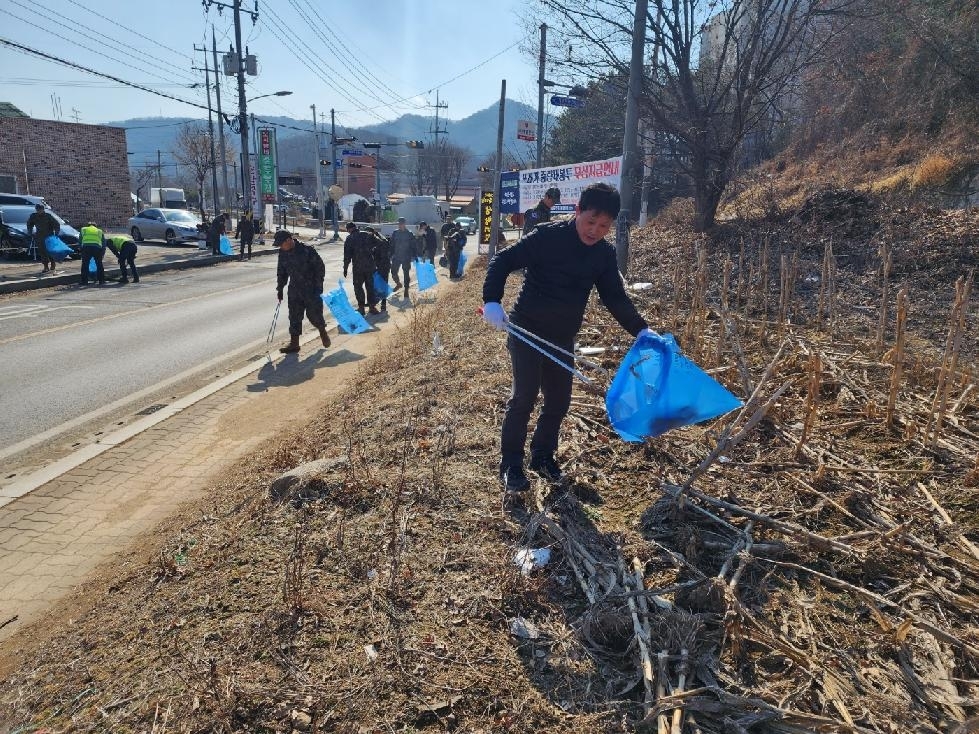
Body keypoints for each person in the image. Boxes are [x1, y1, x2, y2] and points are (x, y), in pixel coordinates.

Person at [481, 183, 652, 493]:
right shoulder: (547, 237)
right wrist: (492, 300)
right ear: (577, 211)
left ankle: (543, 456)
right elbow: (502, 262)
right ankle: (511, 465)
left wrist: (641, 329)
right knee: (524, 397)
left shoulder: (603, 254)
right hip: (527, 330)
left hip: (562, 336)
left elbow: (615, 298)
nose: (595, 230)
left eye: (604, 226)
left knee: (559, 401)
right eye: (590, 221)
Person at [275, 230, 331, 353]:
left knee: (314, 315)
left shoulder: (307, 250)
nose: (280, 246)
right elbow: (281, 272)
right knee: (294, 316)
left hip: (311, 289)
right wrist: (280, 288)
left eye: (281, 244)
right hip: (295, 289)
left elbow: (320, 268)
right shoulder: (282, 252)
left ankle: (322, 331)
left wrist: (318, 287)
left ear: (289, 240)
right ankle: (294, 344)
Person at [343, 222, 380, 315]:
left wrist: (345, 268)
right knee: (370, 287)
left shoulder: (349, 238)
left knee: (358, 287)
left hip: (358, 268)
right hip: (370, 266)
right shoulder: (367, 234)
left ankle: (361, 308)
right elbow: (379, 242)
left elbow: (347, 255)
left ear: (349, 229)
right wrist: (371, 250)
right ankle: (372, 307)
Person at [26, 203, 60, 274]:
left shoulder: (48, 216)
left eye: (40, 209)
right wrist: (30, 232)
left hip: (49, 236)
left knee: (50, 251)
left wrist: (56, 234)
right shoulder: (33, 216)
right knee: (42, 252)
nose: (39, 211)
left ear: (43, 209)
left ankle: (53, 265)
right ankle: (45, 266)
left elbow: (56, 224)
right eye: (38, 210)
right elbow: (29, 224)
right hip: (39, 237)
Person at [367, 227, 393, 312]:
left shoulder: (381, 241)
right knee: (376, 285)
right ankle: (374, 302)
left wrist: (377, 267)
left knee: (383, 285)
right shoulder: (373, 240)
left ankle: (383, 304)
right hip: (378, 266)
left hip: (383, 266)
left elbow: (383, 256)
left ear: (372, 233)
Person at [389, 217, 416, 299]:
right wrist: (390, 254)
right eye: (399, 224)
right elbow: (392, 245)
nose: (400, 225)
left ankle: (406, 290)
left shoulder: (409, 233)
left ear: (404, 224)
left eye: (401, 223)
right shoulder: (395, 233)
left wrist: (415, 255)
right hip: (397, 256)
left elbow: (413, 246)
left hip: (406, 257)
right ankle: (398, 284)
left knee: (406, 274)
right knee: (393, 272)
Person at [78, 219, 106, 286]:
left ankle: (84, 281)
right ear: (95, 226)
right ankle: (101, 280)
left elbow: (80, 240)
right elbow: (104, 243)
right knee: (99, 264)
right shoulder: (99, 231)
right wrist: (103, 252)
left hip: (86, 248)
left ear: (88, 226)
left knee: (85, 264)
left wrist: (81, 249)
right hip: (97, 248)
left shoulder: (83, 229)